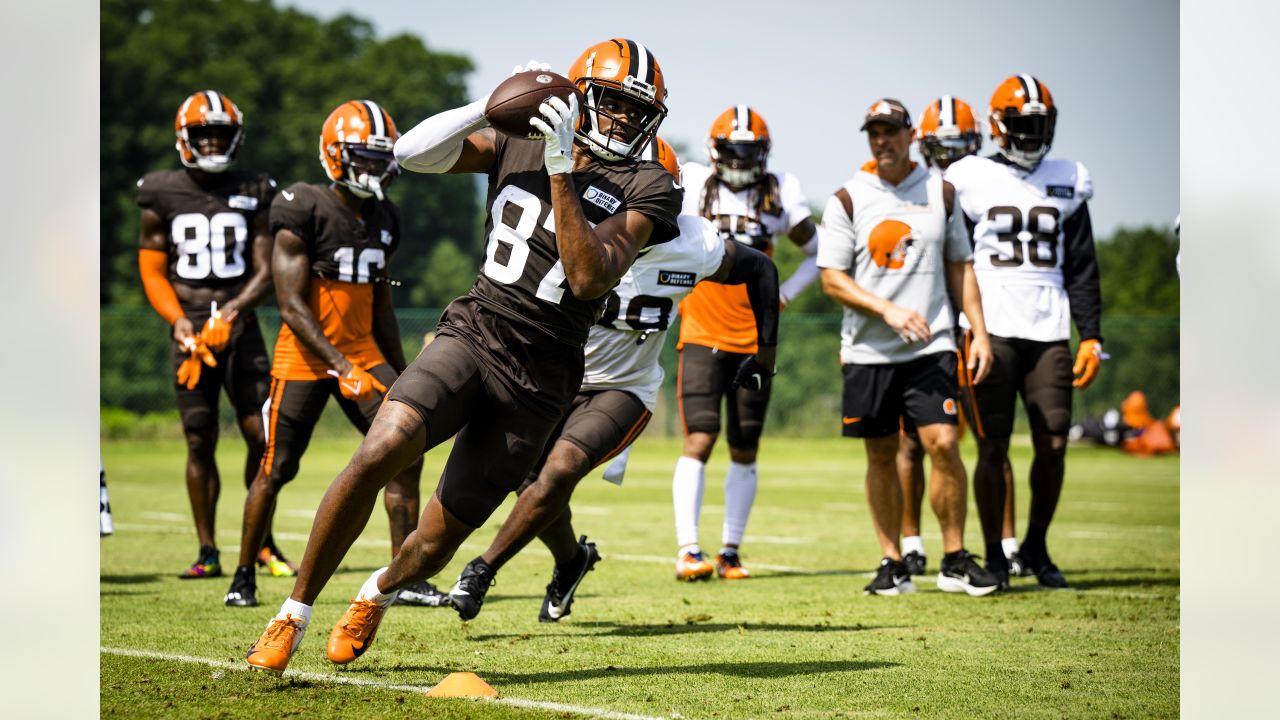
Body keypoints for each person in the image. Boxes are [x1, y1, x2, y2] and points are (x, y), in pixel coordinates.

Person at [243, 40, 682, 674]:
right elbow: (409, 154)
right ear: (580, 95)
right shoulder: (523, 137)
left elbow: (589, 278)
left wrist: (562, 170)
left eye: (634, 110)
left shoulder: (648, 183)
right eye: (611, 102)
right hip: (476, 330)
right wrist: (490, 103)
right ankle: (291, 614)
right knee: (379, 450)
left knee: (436, 541)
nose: (621, 120)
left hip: (544, 373)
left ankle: (377, 591)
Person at [443, 138, 779, 623]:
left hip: (624, 387)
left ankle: (482, 568)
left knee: (557, 473)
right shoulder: (577, 233)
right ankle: (571, 561)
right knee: (532, 483)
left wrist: (764, 358)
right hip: (557, 380)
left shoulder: (693, 243)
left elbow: (762, 270)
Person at [223, 100, 425, 608]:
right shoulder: (301, 204)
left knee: (406, 451)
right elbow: (290, 305)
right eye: (364, 156)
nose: (375, 168)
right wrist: (342, 367)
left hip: (362, 351)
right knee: (277, 468)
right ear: (334, 155)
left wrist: (402, 373)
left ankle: (404, 577)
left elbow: (382, 308)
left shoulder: (385, 217)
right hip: (306, 356)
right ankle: (244, 573)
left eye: (381, 158)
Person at [817, 98, 997, 597]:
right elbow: (832, 279)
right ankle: (892, 561)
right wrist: (887, 309)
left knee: (943, 442)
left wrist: (977, 331)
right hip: (869, 351)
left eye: (891, 131)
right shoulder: (847, 198)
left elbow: (962, 265)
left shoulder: (940, 193)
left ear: (910, 134)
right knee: (882, 455)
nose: (882, 141)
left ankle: (956, 558)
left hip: (932, 344)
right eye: (874, 133)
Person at [946, 74, 1103, 589]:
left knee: (1053, 443)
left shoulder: (1069, 178)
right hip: (990, 331)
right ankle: (995, 555)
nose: (1033, 133)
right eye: (1023, 123)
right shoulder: (969, 176)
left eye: (1040, 123)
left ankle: (1035, 547)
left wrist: (1092, 334)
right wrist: (961, 326)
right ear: (998, 126)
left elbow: (1081, 265)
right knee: (992, 447)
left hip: (1049, 329)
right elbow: (956, 259)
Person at [136, 90, 287, 579]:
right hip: (190, 331)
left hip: (240, 328)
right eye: (204, 133)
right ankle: (207, 550)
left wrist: (236, 311)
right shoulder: (160, 191)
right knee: (199, 438)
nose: (213, 141)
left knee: (261, 436)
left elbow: (267, 270)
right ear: (185, 138)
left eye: (221, 133)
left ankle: (261, 543)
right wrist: (178, 320)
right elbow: (153, 268)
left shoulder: (256, 186)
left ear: (236, 137)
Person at [669, 105, 820, 581]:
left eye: (748, 152)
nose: (739, 161)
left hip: (756, 337)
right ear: (715, 152)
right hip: (701, 329)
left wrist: (784, 296)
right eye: (733, 151)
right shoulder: (693, 182)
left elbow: (819, 253)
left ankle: (731, 550)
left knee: (746, 444)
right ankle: (689, 549)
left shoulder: (779, 191)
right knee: (701, 437)